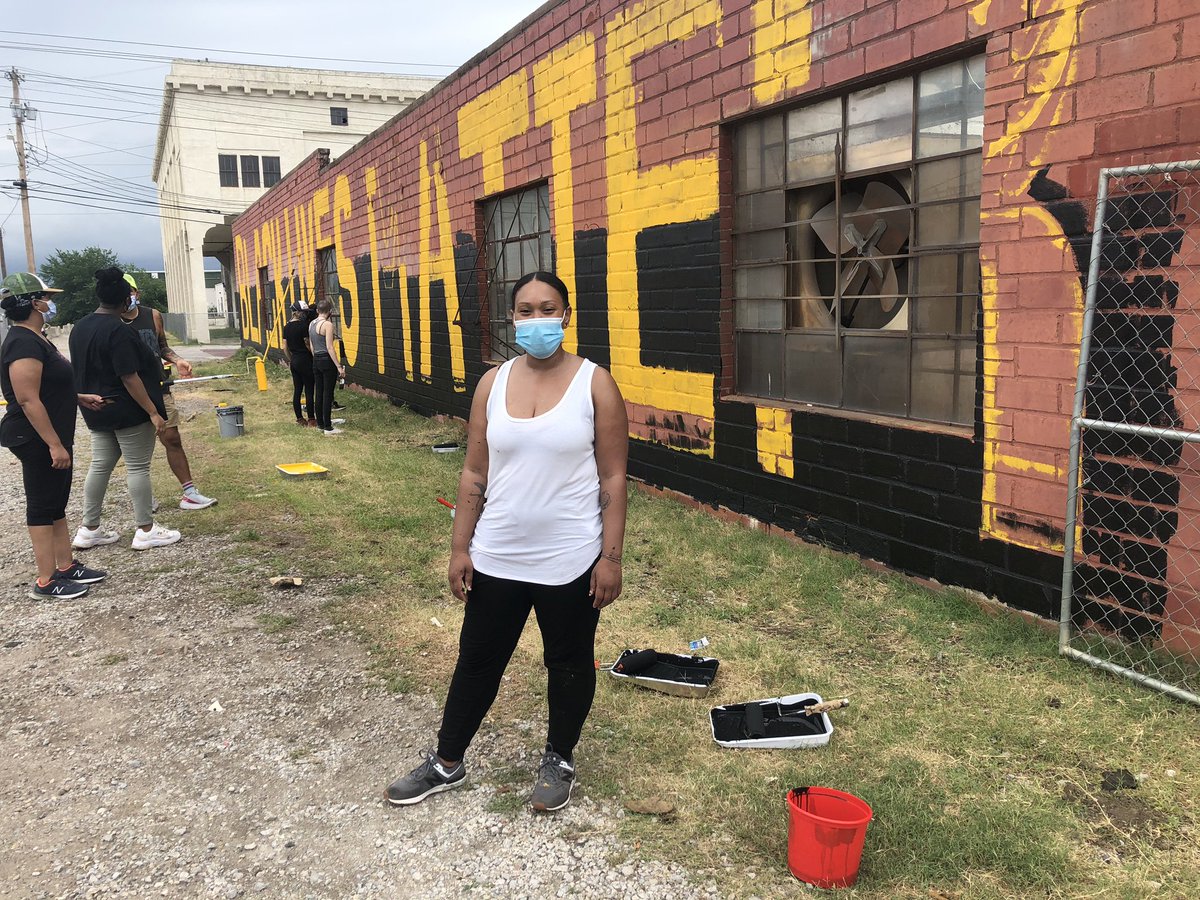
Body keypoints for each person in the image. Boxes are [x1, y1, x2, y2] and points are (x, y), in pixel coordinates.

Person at [385, 271, 628, 813]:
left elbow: (613, 477)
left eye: (548, 309)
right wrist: (459, 547)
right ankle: (447, 761)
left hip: (571, 558)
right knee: (477, 660)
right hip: (499, 553)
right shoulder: (492, 384)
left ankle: (559, 759)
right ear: (511, 317)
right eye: (525, 310)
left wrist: (610, 559)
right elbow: (474, 471)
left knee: (567, 662)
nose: (536, 320)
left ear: (566, 315)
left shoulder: (595, 384)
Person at [0, 273, 108, 599]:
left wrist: (78, 397)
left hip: (54, 434)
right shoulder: (21, 342)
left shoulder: (38, 337)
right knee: (41, 505)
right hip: (34, 437)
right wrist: (54, 444)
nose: (50, 303)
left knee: (56, 504)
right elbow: (27, 398)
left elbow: (48, 386)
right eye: (46, 298)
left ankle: (66, 566)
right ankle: (46, 580)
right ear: (34, 303)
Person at [70, 267, 181, 551]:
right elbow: (129, 377)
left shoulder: (80, 327)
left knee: (100, 465)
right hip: (127, 408)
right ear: (124, 301)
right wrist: (153, 412)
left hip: (96, 409)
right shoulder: (118, 330)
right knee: (138, 467)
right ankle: (146, 529)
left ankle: (89, 527)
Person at [120, 274, 217, 510]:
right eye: (124, 291)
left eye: (131, 290)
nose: (128, 296)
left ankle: (189, 492)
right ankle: (143, 498)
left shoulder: (152, 315)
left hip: (158, 387)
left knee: (172, 438)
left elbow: (162, 346)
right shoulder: (109, 321)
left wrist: (178, 360)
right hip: (127, 391)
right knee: (135, 448)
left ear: (137, 292)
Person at [309, 298, 345, 435]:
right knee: (327, 393)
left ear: (317, 311)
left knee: (318, 392)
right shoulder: (328, 325)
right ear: (330, 311)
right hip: (326, 359)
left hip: (316, 359)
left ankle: (320, 423)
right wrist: (338, 366)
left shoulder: (311, 324)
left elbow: (312, 344)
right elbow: (330, 347)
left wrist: (315, 358)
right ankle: (328, 427)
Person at [281, 299, 316, 426]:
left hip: (294, 360)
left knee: (297, 390)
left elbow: (285, 347)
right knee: (309, 389)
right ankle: (312, 418)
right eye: (303, 312)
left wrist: (291, 358)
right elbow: (307, 343)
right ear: (296, 312)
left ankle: (300, 418)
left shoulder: (286, 327)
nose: (305, 314)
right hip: (305, 359)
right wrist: (313, 356)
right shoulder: (303, 326)